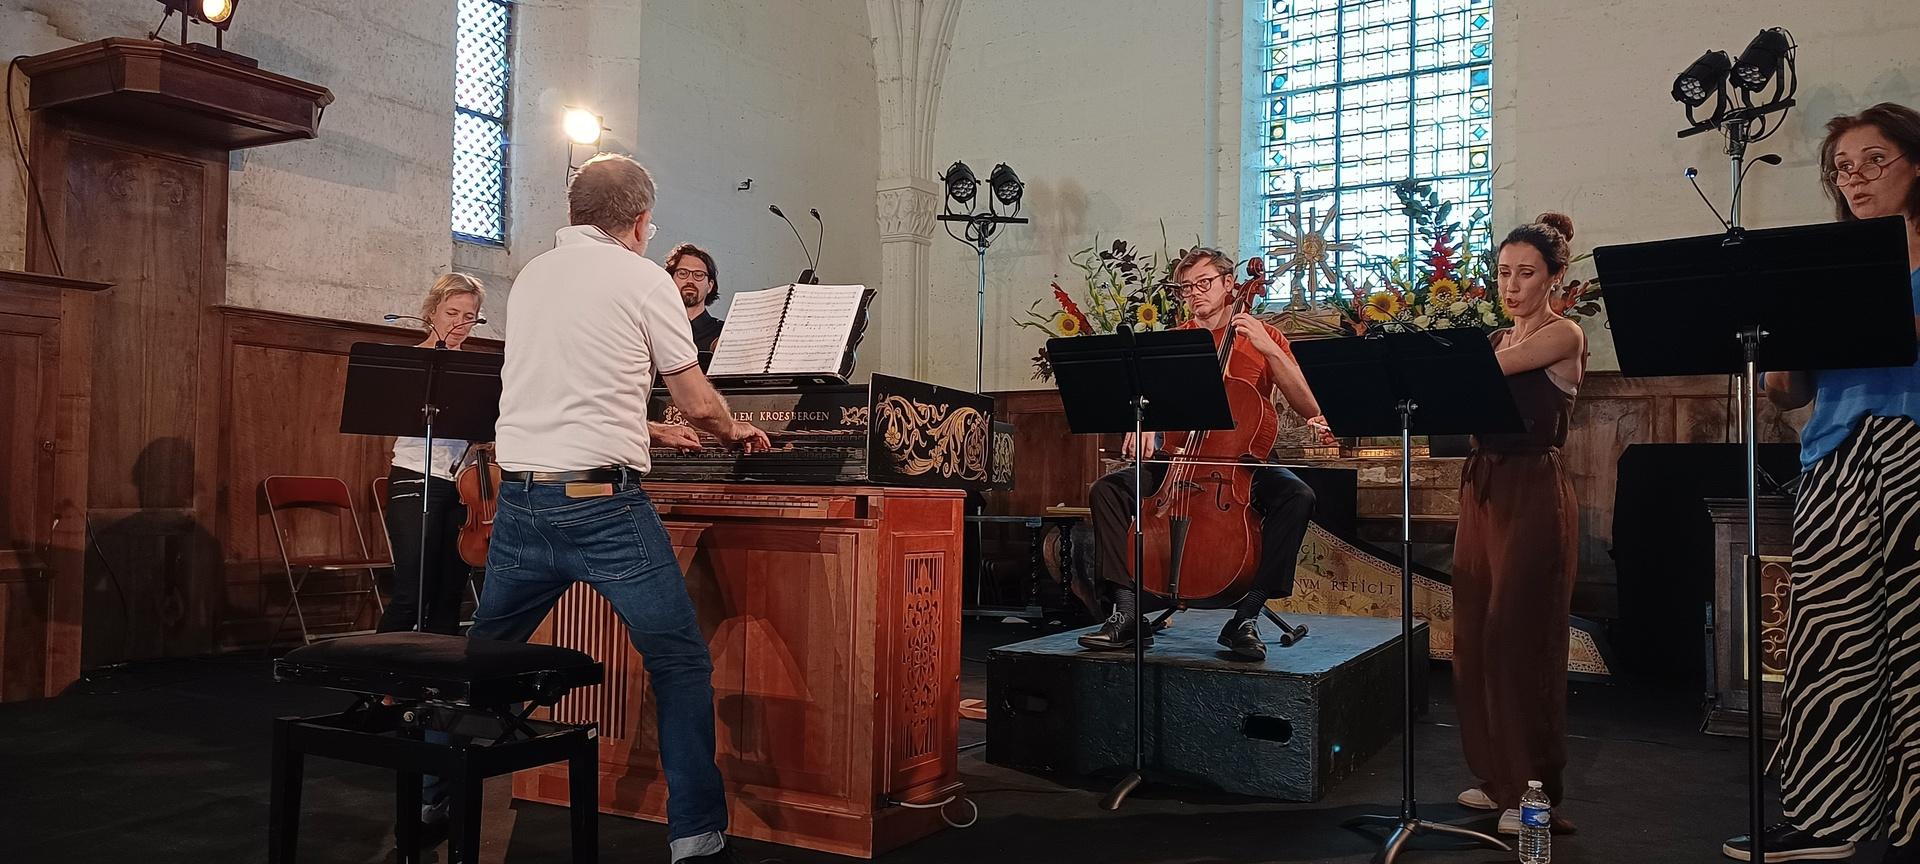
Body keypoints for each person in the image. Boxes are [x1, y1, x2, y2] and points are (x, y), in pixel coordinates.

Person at [472, 152, 770, 864]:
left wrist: (647, 429)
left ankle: (433, 792)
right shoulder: (643, 278)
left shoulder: (533, 275)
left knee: (482, 659)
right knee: (678, 660)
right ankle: (696, 833)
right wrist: (735, 430)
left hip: (520, 500)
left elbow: (564, 391)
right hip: (601, 508)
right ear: (639, 224)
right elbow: (699, 402)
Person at [1724, 102, 1920, 864]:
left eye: (1875, 160)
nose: (1857, 178)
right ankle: (1828, 820)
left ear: (1914, 164)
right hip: (1836, 459)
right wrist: (1776, 355)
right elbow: (1789, 392)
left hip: (1911, 451)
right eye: (1843, 167)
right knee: (1831, 643)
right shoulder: (1827, 267)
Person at [1079, 248, 1330, 661]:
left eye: (1204, 283)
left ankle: (1245, 616)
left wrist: (1269, 348)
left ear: (1230, 284)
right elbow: (1149, 399)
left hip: (1238, 465)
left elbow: (1309, 406)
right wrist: (1144, 423)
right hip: (1179, 461)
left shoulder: (1265, 338)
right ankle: (1127, 612)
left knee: (1298, 496)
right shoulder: (1177, 340)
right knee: (1107, 490)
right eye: (1186, 288)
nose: (1194, 294)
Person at [1448, 213, 1586, 837]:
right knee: (1474, 634)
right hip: (1481, 491)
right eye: (1503, 273)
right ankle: (1496, 776)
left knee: (1520, 637)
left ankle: (1533, 791)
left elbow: (1482, 375)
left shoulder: (1564, 336)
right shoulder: (1494, 343)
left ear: (1554, 278)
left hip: (1532, 491)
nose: (1511, 286)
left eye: (1526, 274)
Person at [377, 273, 485, 635]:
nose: (459, 324)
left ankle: (437, 679)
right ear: (432, 312)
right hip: (414, 477)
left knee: (449, 593)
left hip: (462, 487)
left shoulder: (477, 372)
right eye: (452, 313)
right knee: (412, 591)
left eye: (468, 317)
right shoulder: (408, 363)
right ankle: (381, 683)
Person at [666, 242, 725, 360]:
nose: (690, 280)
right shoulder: (656, 328)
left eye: (698, 275)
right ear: (670, 280)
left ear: (710, 286)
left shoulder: (724, 334)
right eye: (683, 273)